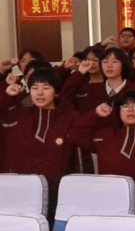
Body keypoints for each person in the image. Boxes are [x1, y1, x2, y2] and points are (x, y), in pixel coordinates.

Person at [70, 90, 135, 213]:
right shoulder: (106, 136)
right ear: (118, 112)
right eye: (125, 106)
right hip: (103, 204)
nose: (130, 110)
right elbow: (76, 136)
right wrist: (96, 114)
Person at [0, 69, 81, 217]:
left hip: (56, 191)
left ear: (56, 92)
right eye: (34, 88)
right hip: (17, 190)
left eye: (46, 87)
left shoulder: (71, 117)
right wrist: (7, 95)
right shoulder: (19, 115)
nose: (40, 93)